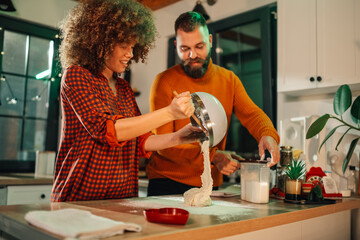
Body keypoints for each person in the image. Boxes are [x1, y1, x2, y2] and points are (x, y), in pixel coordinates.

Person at [51, 0, 201, 202]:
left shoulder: (123, 89)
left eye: (133, 46)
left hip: (122, 199)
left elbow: (140, 141)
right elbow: (107, 130)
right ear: (99, 43)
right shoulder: (76, 76)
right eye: (123, 46)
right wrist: (169, 112)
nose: (130, 54)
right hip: (79, 198)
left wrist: (178, 137)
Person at [146, 11, 280, 196]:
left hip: (209, 184)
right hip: (167, 183)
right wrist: (214, 156)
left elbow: (253, 115)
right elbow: (163, 146)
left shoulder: (229, 79)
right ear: (176, 46)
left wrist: (268, 135)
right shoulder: (164, 82)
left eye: (199, 46)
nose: (193, 55)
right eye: (185, 49)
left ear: (210, 40)